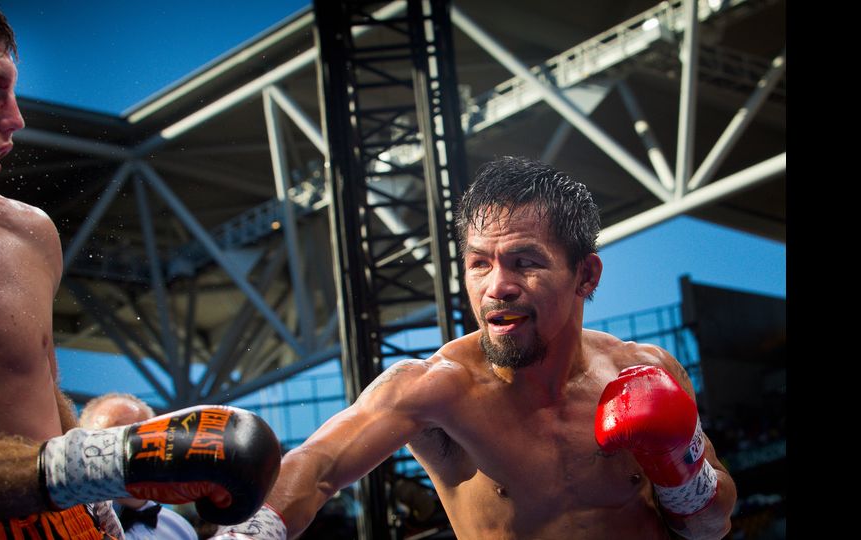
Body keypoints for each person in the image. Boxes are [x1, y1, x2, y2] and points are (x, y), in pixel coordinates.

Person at [214, 156, 737, 539]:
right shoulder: (437, 389)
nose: (497, 286)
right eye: (479, 263)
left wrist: (680, 471)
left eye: (525, 262)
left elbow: (713, 526)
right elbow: (318, 464)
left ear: (586, 274)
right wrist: (248, 535)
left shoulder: (647, 370)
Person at [0, 2, 282, 537]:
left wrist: (97, 508)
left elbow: (42, 391)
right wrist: (108, 462)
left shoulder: (29, 233)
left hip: (65, 513)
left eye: (13, 89)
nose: (15, 117)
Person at [80, 394, 200, 540]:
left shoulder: (180, 528)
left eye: (140, 438)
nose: (127, 448)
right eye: (108, 439)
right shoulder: (69, 518)